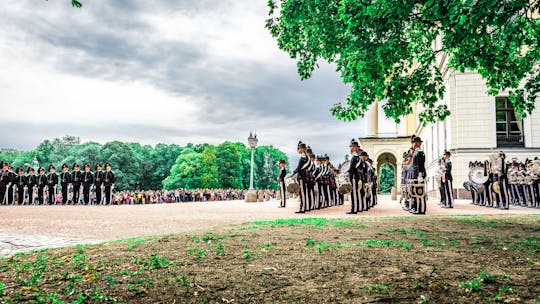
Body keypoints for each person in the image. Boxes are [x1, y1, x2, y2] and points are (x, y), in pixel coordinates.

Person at [409, 136, 426, 214]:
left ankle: (421, 209)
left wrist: (420, 175)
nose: (413, 144)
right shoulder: (415, 152)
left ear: (418, 143)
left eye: (414, 142)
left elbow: (420, 165)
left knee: (419, 193)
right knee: (415, 192)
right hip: (415, 175)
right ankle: (416, 207)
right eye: (413, 142)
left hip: (418, 175)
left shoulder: (419, 152)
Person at [293, 141, 309, 213]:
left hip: (302, 176)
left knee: (302, 192)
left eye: (299, 148)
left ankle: (302, 208)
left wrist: (293, 172)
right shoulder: (304, 156)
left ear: (302, 149)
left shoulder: (303, 156)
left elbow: (299, 167)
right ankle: (303, 207)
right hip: (302, 176)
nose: (298, 150)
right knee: (303, 192)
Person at [348, 139, 361, 214]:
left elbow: (352, 168)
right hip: (354, 176)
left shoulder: (355, 157)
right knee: (353, 193)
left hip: (353, 177)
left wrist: (347, 172)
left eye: (352, 147)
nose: (351, 148)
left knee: (354, 193)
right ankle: (354, 208)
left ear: (356, 148)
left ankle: (355, 209)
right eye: (350, 147)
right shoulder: (355, 157)